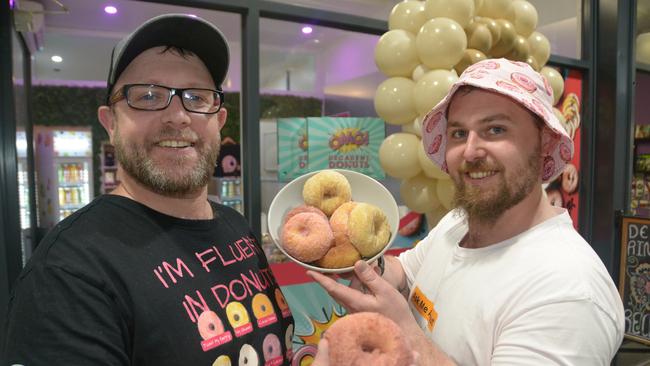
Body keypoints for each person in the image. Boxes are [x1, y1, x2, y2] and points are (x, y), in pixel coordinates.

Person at [2, 14, 294, 365]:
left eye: (197, 97)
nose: (178, 116)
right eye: (149, 96)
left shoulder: (235, 225)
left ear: (218, 121)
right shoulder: (67, 275)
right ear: (110, 124)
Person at [308, 58, 624, 365]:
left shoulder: (567, 292)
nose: (470, 151)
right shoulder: (457, 225)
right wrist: (360, 262)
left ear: (544, 142)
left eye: (495, 130)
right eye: (459, 133)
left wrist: (403, 331)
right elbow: (404, 275)